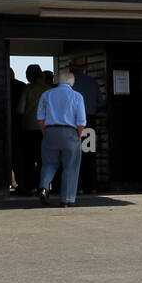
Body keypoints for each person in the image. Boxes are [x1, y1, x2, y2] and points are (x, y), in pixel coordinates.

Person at [37, 70, 87, 208]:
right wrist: (78, 135)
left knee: (48, 163)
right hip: (70, 132)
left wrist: (45, 132)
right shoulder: (77, 96)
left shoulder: (46, 94)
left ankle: (43, 187)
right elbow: (81, 121)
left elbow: (40, 118)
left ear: (58, 82)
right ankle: (67, 199)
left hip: (50, 131)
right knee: (71, 166)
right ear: (72, 83)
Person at [68, 57, 104, 194]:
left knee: (74, 155)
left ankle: (79, 187)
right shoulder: (93, 82)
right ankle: (92, 186)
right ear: (84, 68)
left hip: (73, 123)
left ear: (71, 67)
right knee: (89, 154)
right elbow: (100, 103)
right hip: (89, 121)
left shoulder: (69, 84)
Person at [14, 65, 49, 196]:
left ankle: (30, 187)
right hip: (47, 129)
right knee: (44, 160)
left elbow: (20, 109)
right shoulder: (49, 90)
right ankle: (44, 186)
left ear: (28, 75)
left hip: (29, 128)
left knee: (28, 160)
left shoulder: (27, 89)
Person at [9, 69, 26, 193]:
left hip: (10, 124)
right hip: (22, 126)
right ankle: (22, 183)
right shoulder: (22, 86)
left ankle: (12, 182)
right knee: (21, 157)